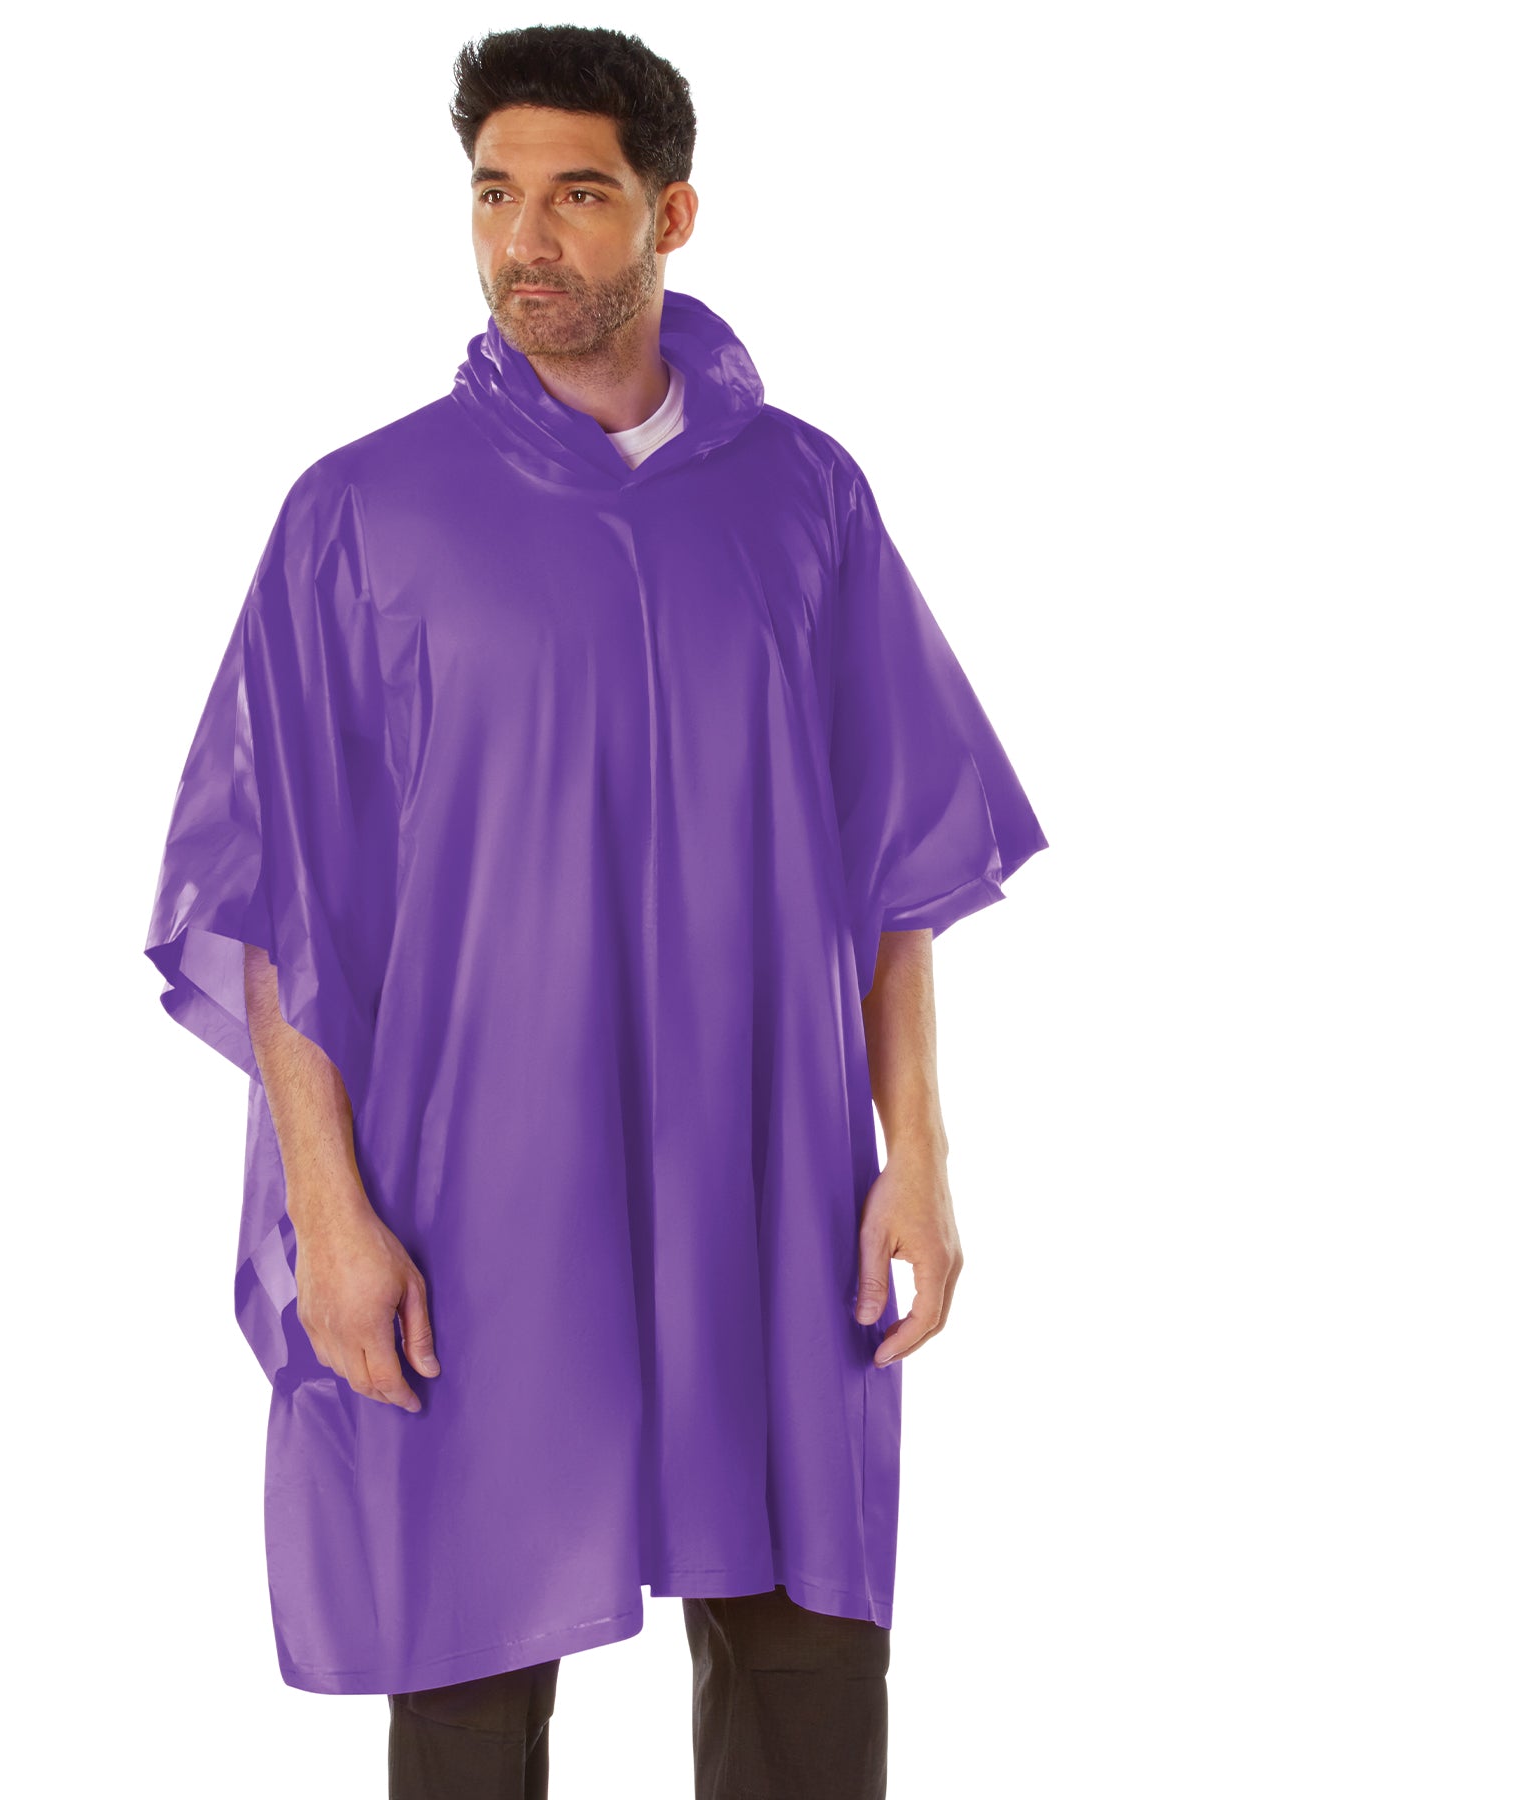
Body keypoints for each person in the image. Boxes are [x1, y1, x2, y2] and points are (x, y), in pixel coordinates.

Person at [142, 24, 1048, 1800]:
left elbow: (893, 858)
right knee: (471, 1674)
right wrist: (330, 1214)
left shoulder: (804, 500)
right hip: (476, 1181)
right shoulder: (362, 515)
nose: (525, 242)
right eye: (495, 196)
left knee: (800, 1654)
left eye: (576, 196)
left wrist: (919, 1156)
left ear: (671, 214)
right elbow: (277, 899)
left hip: (764, 1174)